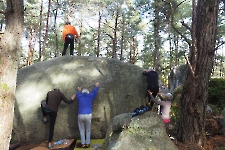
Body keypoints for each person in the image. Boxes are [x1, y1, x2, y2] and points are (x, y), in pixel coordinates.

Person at [76, 82, 99, 148]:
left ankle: (83, 143)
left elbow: (78, 93)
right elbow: (94, 92)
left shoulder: (79, 96)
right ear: (88, 92)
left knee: (81, 130)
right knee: (88, 129)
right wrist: (96, 86)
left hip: (80, 115)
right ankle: (87, 143)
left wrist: (79, 90)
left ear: (82, 92)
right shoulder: (90, 96)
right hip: (88, 114)